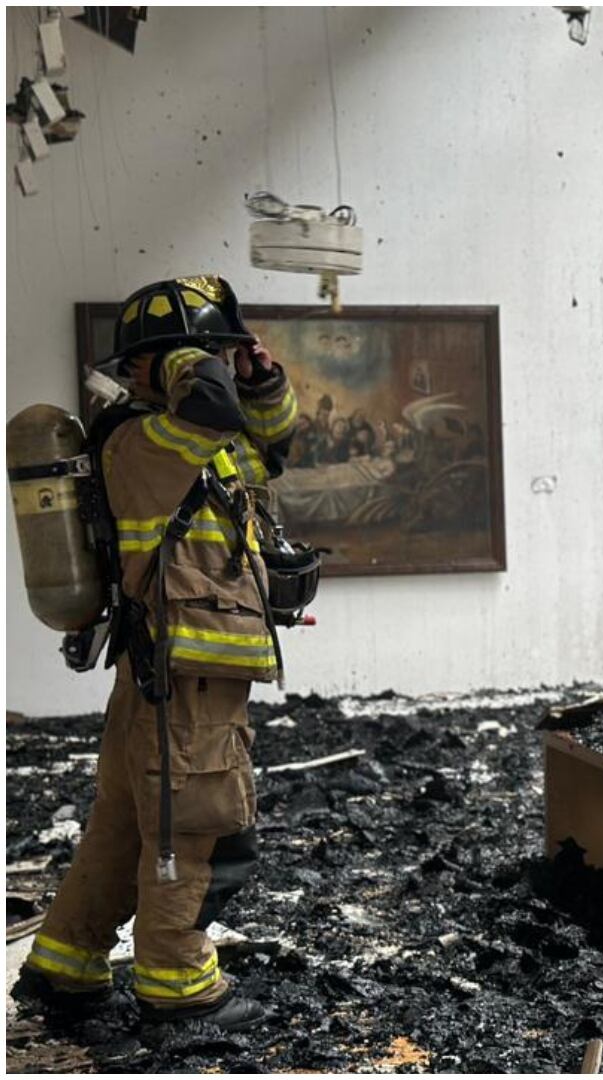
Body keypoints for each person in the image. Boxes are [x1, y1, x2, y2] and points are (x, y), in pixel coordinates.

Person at [13, 276, 298, 1032]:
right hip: (184, 668)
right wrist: (187, 361)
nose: (221, 367)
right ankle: (178, 984)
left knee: (129, 823)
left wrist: (263, 380)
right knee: (195, 821)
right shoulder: (147, 441)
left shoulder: (193, 446)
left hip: (170, 667)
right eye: (208, 353)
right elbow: (206, 404)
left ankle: (64, 966)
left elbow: (274, 448)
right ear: (160, 365)